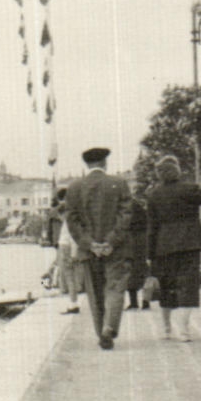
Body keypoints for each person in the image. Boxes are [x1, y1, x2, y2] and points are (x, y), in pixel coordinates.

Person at [146, 154, 201, 341]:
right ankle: (184, 330)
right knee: (188, 286)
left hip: (163, 246)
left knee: (166, 286)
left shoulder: (153, 194)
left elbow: (152, 227)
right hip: (190, 243)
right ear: (177, 171)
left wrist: (150, 254)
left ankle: (166, 329)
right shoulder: (190, 189)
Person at [65, 146, 133, 349]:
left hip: (88, 251)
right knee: (115, 288)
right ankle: (109, 328)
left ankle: (100, 330)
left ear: (86, 164)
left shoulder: (74, 187)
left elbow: (72, 221)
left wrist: (90, 244)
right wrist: (111, 241)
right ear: (104, 163)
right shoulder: (119, 183)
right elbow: (126, 216)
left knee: (94, 293)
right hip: (116, 249)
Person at [48, 188, 85, 314]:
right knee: (70, 277)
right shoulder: (70, 220)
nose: (59, 218)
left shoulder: (68, 222)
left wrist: (73, 253)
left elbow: (73, 238)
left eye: (60, 216)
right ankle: (72, 302)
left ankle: (73, 304)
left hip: (66, 249)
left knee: (69, 277)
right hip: (67, 248)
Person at [124, 175, 150, 310]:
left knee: (131, 272)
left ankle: (134, 302)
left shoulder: (127, 206)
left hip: (131, 241)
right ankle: (146, 301)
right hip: (142, 240)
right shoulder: (137, 205)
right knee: (143, 271)